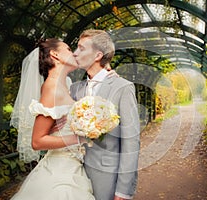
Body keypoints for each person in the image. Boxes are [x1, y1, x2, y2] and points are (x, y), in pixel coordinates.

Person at [10, 38, 95, 200]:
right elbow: (37, 142)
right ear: (55, 55)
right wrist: (79, 138)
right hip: (59, 172)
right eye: (69, 49)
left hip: (72, 166)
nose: (74, 53)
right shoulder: (52, 89)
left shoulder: (66, 84)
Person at [70, 29, 140, 200]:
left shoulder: (122, 87)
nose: (75, 53)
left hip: (106, 176)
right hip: (73, 172)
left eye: (81, 48)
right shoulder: (74, 89)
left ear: (97, 55)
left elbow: (131, 141)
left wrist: (123, 190)